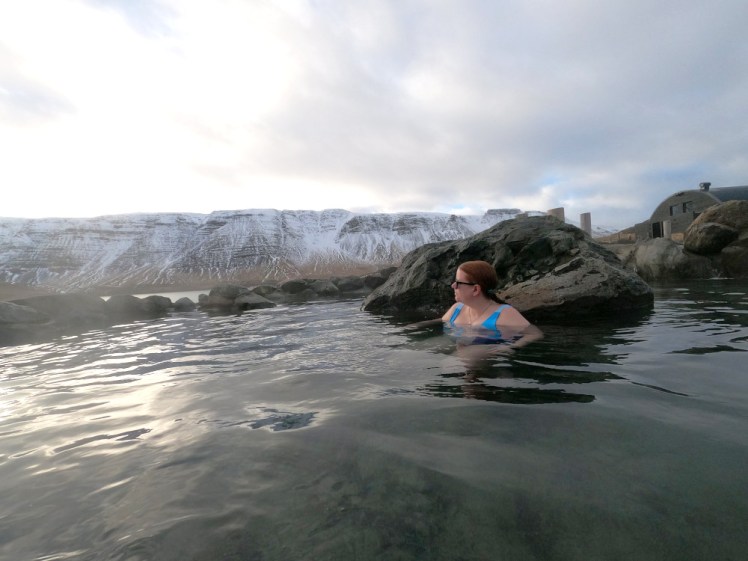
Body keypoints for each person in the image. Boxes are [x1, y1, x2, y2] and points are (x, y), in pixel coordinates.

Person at [442, 260, 542, 350]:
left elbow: (535, 334)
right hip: (460, 343)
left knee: (462, 359)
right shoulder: (457, 308)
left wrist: (510, 347)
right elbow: (439, 322)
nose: (453, 285)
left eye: (458, 282)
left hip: (486, 350)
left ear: (476, 289)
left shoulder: (504, 313)